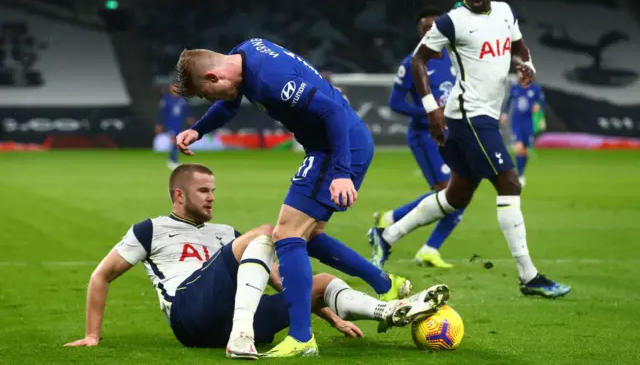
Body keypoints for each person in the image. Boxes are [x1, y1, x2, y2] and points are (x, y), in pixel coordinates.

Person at [171, 39, 413, 357]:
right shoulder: (247, 53)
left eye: (205, 94)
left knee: (286, 235)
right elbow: (229, 102)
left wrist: (341, 172)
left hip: (336, 147)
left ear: (214, 77)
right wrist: (200, 130)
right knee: (309, 235)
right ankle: (386, 285)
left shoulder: (273, 81)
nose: (208, 99)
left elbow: (332, 112)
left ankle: (301, 337)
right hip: (334, 145)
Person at [63, 163, 449, 360]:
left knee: (318, 281)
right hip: (188, 313)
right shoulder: (151, 229)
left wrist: (327, 313)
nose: (211, 197)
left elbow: (276, 278)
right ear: (178, 195)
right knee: (274, 230)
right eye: (203, 191)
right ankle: (382, 280)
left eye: (213, 190)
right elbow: (102, 275)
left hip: (230, 317)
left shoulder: (226, 232)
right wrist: (94, 335)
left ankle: (389, 309)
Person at [369, 0, 571, 298]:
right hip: (468, 117)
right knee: (508, 182)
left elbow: (519, 47)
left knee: (456, 195)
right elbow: (418, 59)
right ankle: (529, 276)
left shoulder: (505, 13)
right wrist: (432, 108)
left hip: (484, 117)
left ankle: (386, 236)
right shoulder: (453, 21)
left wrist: (527, 65)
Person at [369, 6, 465, 269]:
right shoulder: (411, 62)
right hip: (426, 135)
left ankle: (421, 243)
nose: (430, 32)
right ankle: (395, 227)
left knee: (461, 192)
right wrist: (428, 113)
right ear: (419, 32)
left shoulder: (455, 57)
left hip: (454, 133)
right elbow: (395, 102)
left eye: (434, 27)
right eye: (425, 28)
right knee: (448, 192)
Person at [500, 80, 546, 187]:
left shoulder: (536, 88)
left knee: (525, 150)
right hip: (516, 121)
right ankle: (518, 175)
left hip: (528, 122)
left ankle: (521, 173)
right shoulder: (515, 87)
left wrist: (539, 107)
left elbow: (542, 102)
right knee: (519, 147)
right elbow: (508, 101)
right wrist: (505, 113)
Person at [155, 86, 195, 169]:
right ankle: (174, 160)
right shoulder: (166, 100)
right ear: (170, 89)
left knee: (178, 142)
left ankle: (171, 159)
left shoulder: (182, 100)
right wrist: (159, 124)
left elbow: (186, 112)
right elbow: (162, 113)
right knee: (175, 141)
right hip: (170, 124)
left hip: (179, 124)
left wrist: (189, 119)